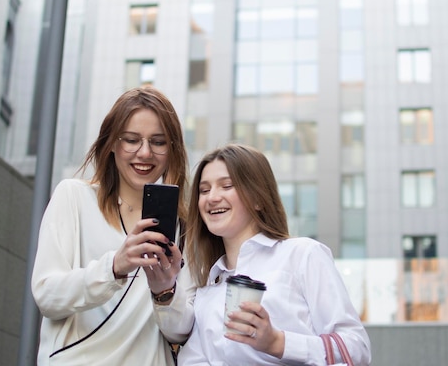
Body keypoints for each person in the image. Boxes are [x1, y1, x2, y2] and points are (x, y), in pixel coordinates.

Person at [31, 87, 195, 365]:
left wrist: (165, 290)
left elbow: (181, 332)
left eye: (158, 142)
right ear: (112, 144)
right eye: (131, 140)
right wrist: (114, 267)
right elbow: (47, 295)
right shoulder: (73, 197)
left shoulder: (183, 226)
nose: (145, 153)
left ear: (172, 150)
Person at [177, 144, 371, 365]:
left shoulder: (302, 255)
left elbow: (356, 348)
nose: (212, 197)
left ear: (258, 198)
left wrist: (278, 342)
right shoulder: (207, 288)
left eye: (227, 185)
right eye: (204, 190)